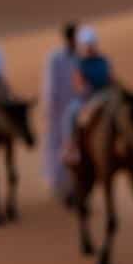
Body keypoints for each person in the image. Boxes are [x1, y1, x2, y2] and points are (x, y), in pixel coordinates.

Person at [60, 25, 113, 167]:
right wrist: (85, 89)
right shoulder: (81, 63)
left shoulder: (103, 60)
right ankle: (72, 146)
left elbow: (109, 79)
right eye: (87, 45)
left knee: (71, 112)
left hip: (104, 96)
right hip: (88, 97)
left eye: (91, 44)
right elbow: (78, 84)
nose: (89, 47)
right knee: (71, 113)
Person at [42, 22, 80, 200]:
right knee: (58, 146)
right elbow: (50, 85)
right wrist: (50, 107)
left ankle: (76, 183)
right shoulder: (55, 58)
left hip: (78, 107)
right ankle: (60, 184)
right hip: (59, 109)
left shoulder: (81, 56)